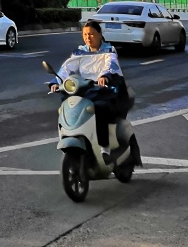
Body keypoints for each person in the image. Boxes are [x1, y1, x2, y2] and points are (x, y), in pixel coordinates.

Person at [50, 19, 130, 162]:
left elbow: (110, 66)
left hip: (104, 91)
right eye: (85, 34)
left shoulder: (108, 51)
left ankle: (104, 147)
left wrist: (104, 77)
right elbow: (67, 69)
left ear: (100, 34)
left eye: (91, 34)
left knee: (99, 109)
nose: (88, 37)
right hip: (83, 91)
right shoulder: (80, 52)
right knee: (68, 108)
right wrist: (56, 82)